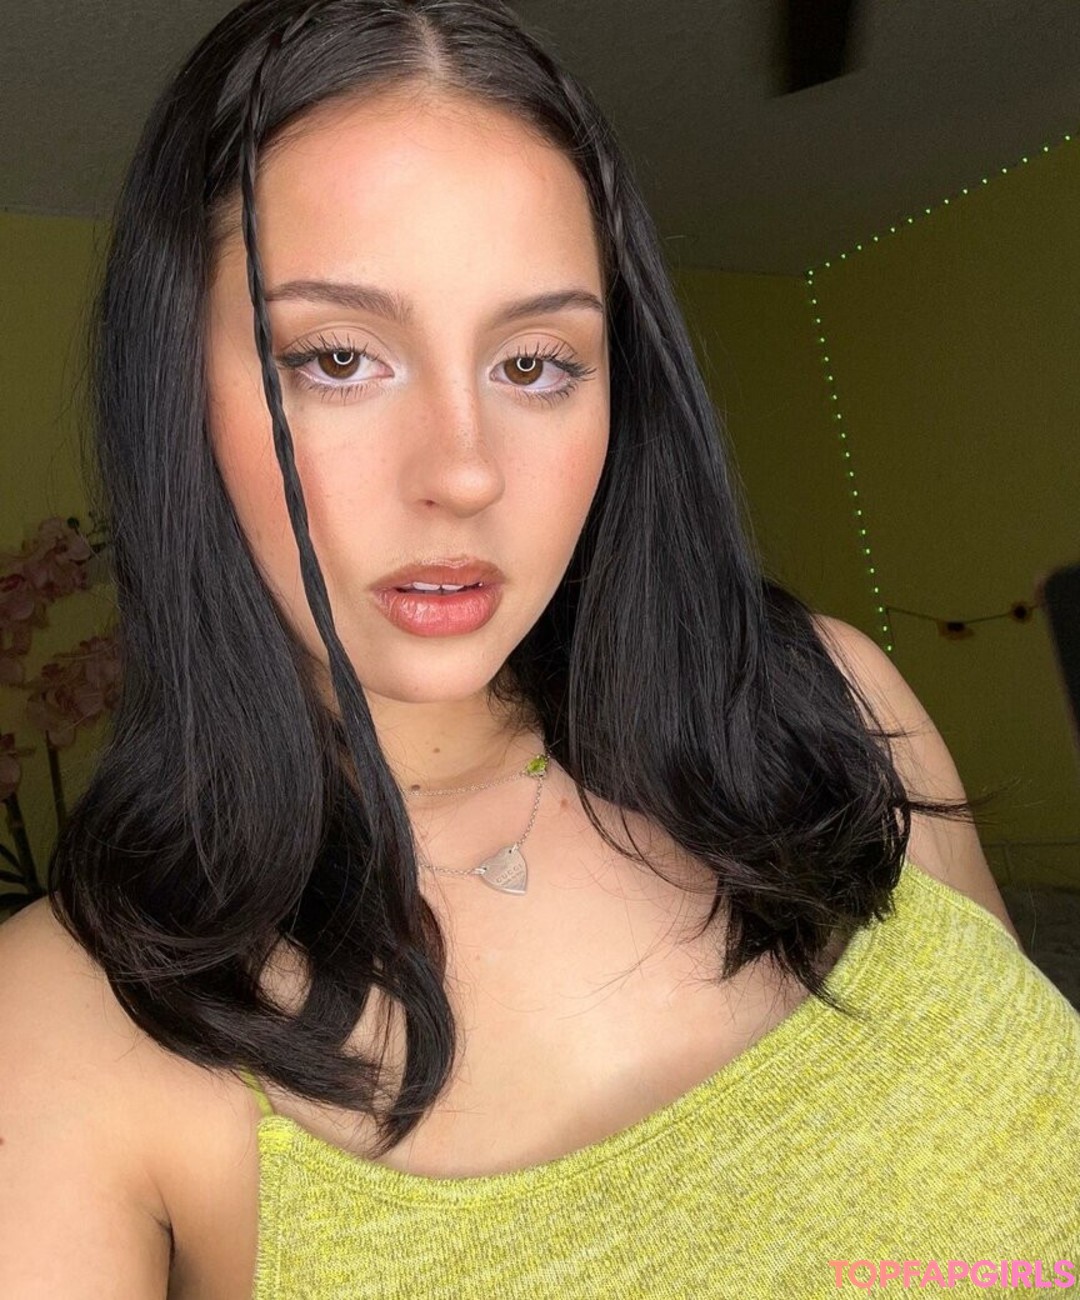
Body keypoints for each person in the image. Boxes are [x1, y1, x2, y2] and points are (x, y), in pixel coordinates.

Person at [1, 1, 1077, 1296]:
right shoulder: (63, 1022)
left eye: (533, 364)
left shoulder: (824, 699)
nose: (463, 472)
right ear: (174, 386)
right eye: (337, 358)